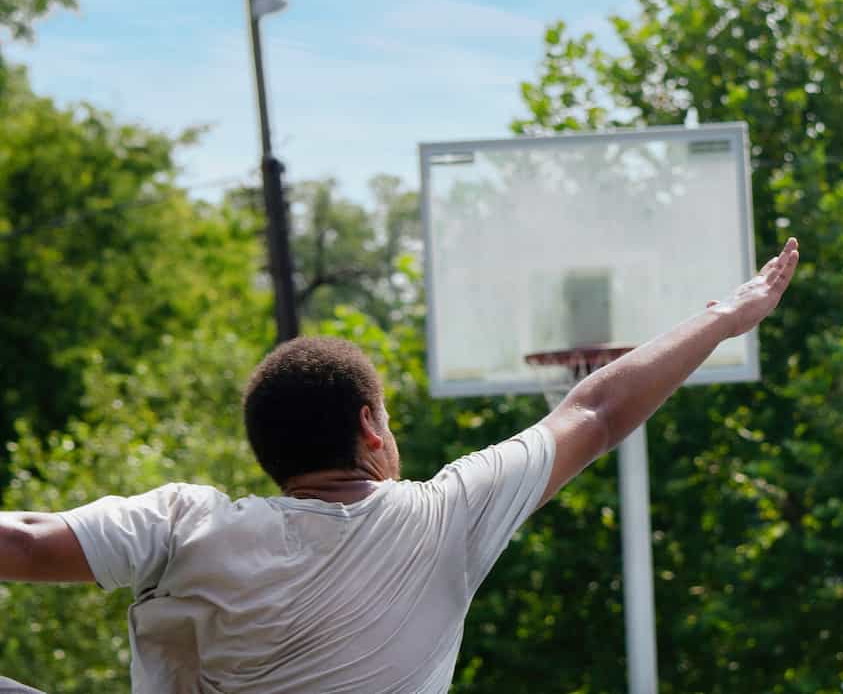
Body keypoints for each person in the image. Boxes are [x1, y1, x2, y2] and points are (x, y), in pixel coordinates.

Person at [0, 238, 800, 692]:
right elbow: (595, 411)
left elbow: (28, 544)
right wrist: (721, 319)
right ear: (368, 429)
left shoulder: (186, 521)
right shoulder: (443, 516)